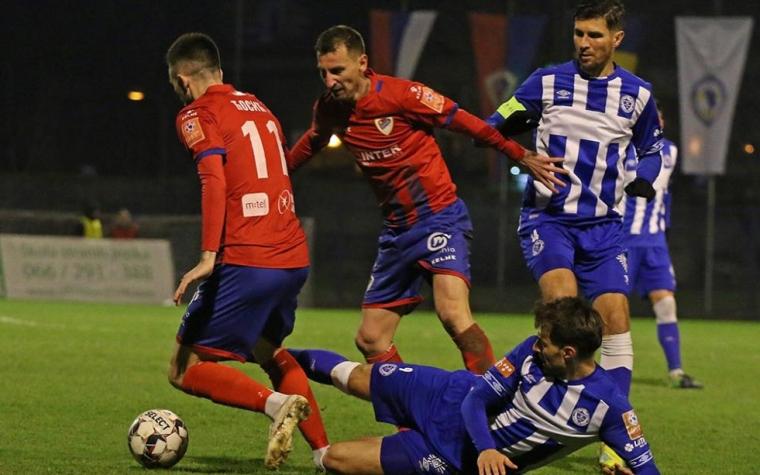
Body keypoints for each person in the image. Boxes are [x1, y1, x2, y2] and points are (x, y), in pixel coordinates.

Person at [288, 25, 566, 374]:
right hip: (396, 231)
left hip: (438, 217)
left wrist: (519, 154)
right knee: (371, 339)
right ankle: (409, 402)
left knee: (452, 313)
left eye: (337, 70)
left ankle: (490, 398)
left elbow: (466, 122)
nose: (329, 81)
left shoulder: (403, 95)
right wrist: (277, 174)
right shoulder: (330, 109)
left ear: (362, 62)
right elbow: (315, 138)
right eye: (323, 73)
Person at [486, 1, 662, 467]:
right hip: (550, 221)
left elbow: (653, 148)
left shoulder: (638, 94)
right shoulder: (545, 82)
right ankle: (531, 406)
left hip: (604, 228)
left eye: (594, 35)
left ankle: (612, 437)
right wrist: (520, 154)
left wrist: (644, 176)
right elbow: (492, 125)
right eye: (579, 34)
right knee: (562, 309)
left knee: (615, 317)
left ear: (616, 39)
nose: (584, 43)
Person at [164, 32, 330, 470]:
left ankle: (275, 405)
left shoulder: (196, 113)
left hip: (247, 257)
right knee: (268, 349)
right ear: (219, 71)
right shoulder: (259, 107)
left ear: (183, 80)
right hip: (292, 257)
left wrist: (207, 256)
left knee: (184, 368)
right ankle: (324, 454)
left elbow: (213, 179)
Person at [288, 297, 659, 474]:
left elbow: (647, 469)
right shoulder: (529, 354)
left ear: (568, 352)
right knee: (356, 377)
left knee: (336, 460)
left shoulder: (610, 408)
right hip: (448, 394)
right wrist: (488, 449)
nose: (536, 346)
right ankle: (274, 353)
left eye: (544, 342)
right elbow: (476, 400)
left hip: (453, 457)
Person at [622, 107, 702, 389]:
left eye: (660, 118)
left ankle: (676, 372)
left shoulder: (671, 151)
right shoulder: (620, 147)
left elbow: (665, 194)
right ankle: (602, 369)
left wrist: (664, 225)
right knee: (612, 306)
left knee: (666, 303)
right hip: (623, 240)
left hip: (655, 243)